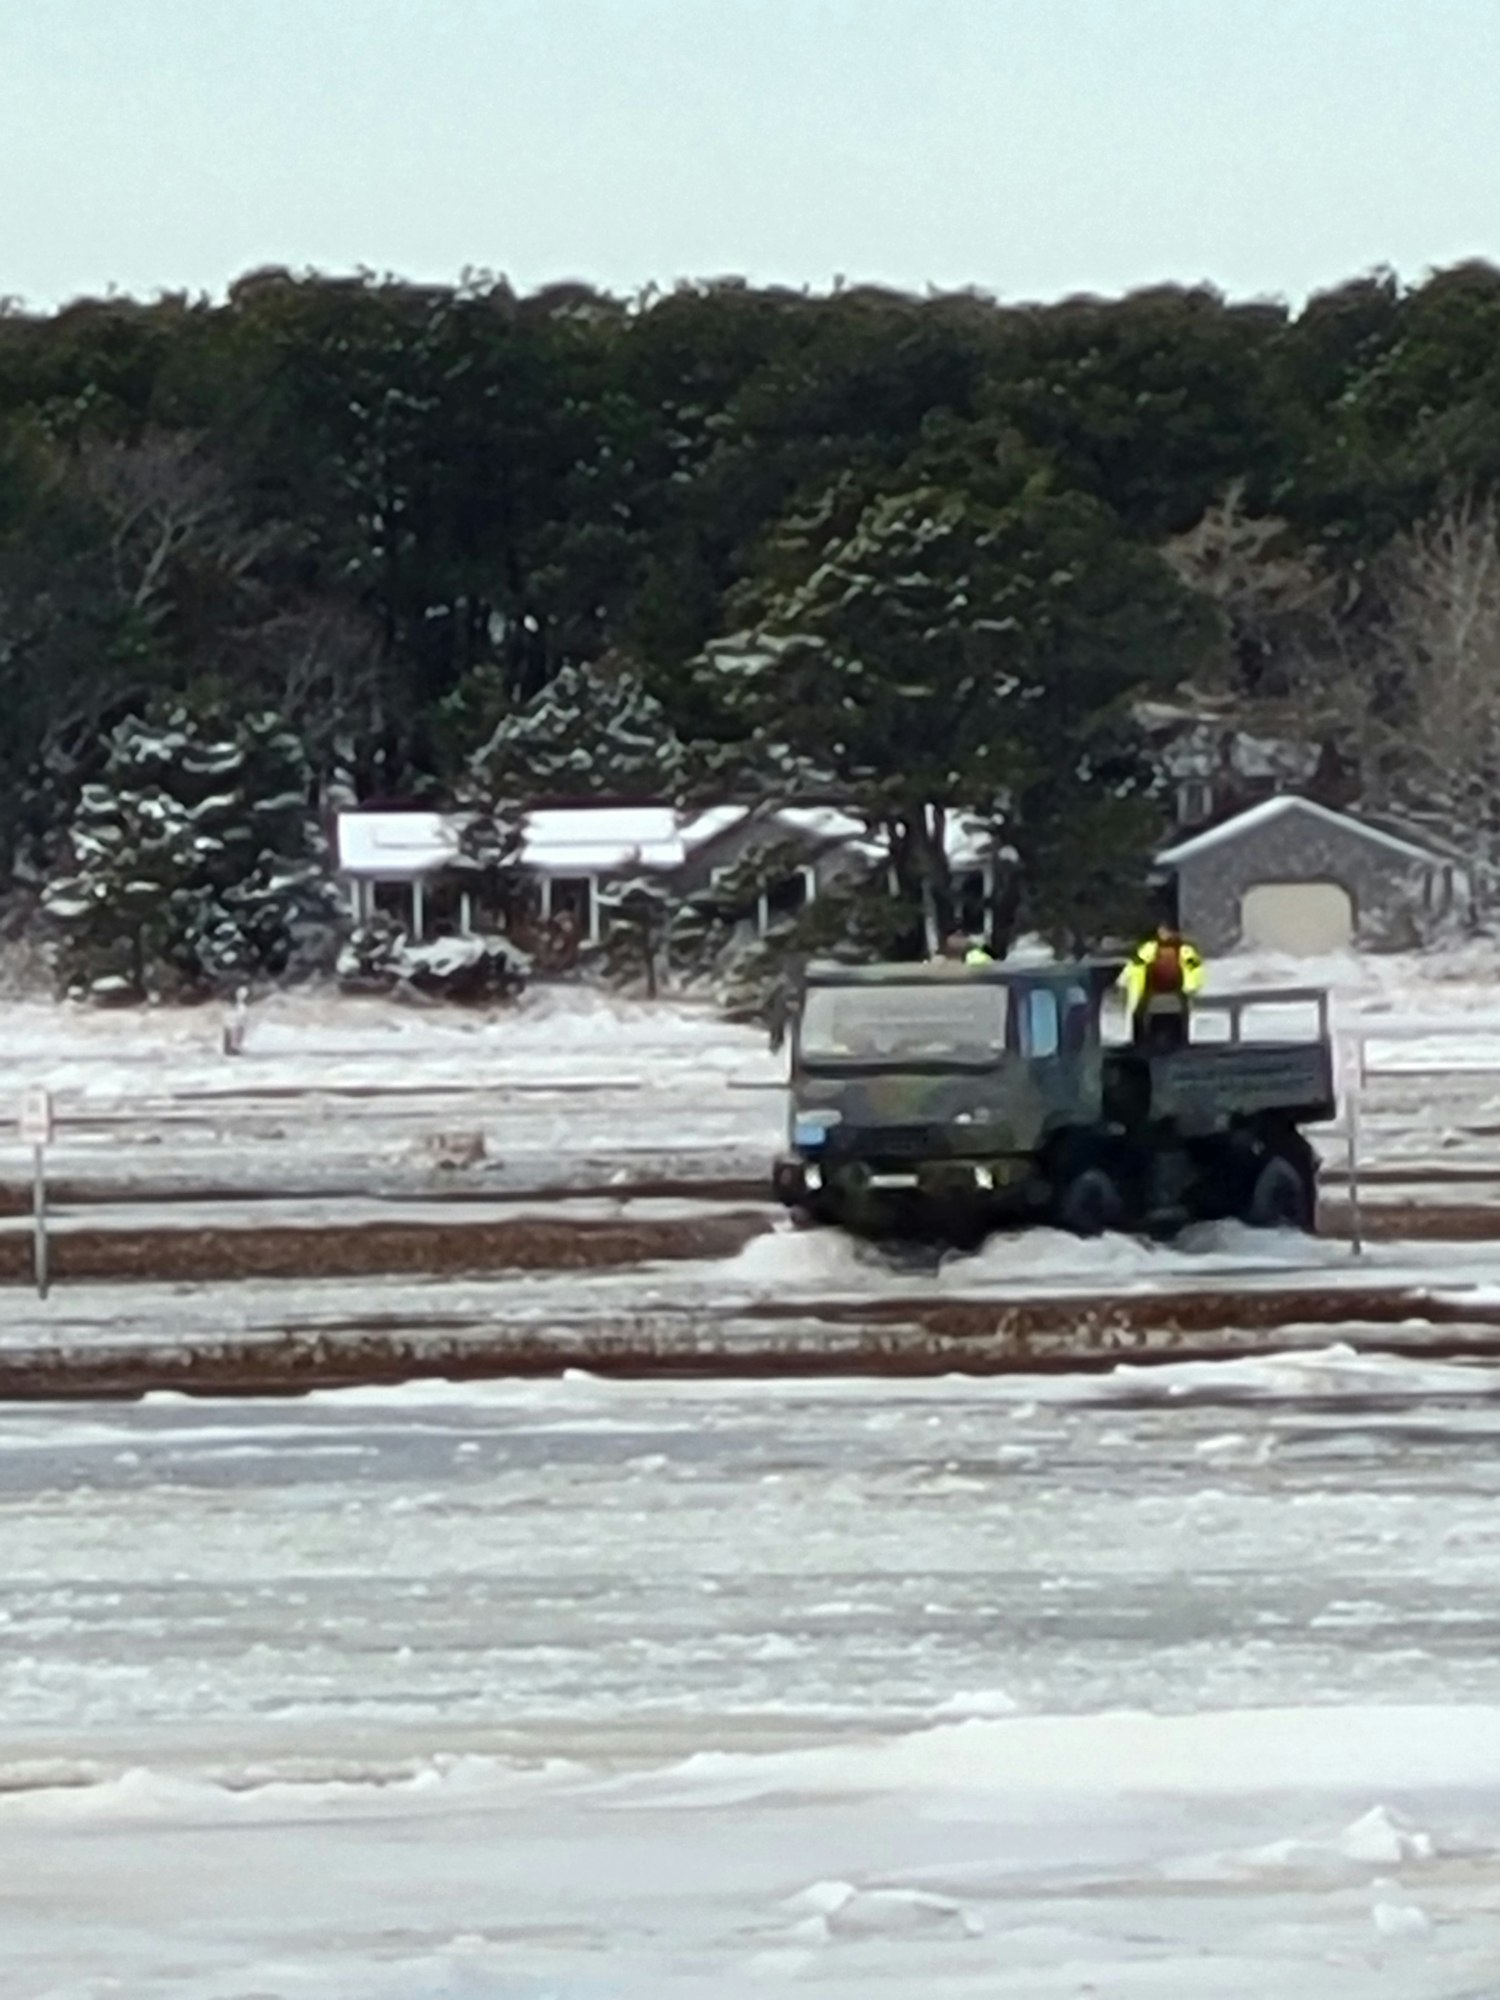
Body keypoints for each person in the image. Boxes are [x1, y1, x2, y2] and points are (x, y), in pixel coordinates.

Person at [1120, 923, 1204, 1051]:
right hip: (1157, 991)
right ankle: (1143, 1042)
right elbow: (1135, 965)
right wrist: (1125, 978)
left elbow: (1195, 968)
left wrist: (1192, 985)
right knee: (1140, 1013)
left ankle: (1147, 1042)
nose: (1164, 935)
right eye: (1162, 932)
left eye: (1166, 932)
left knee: (1144, 1014)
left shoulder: (1183, 950)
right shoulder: (1153, 948)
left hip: (1172, 991)